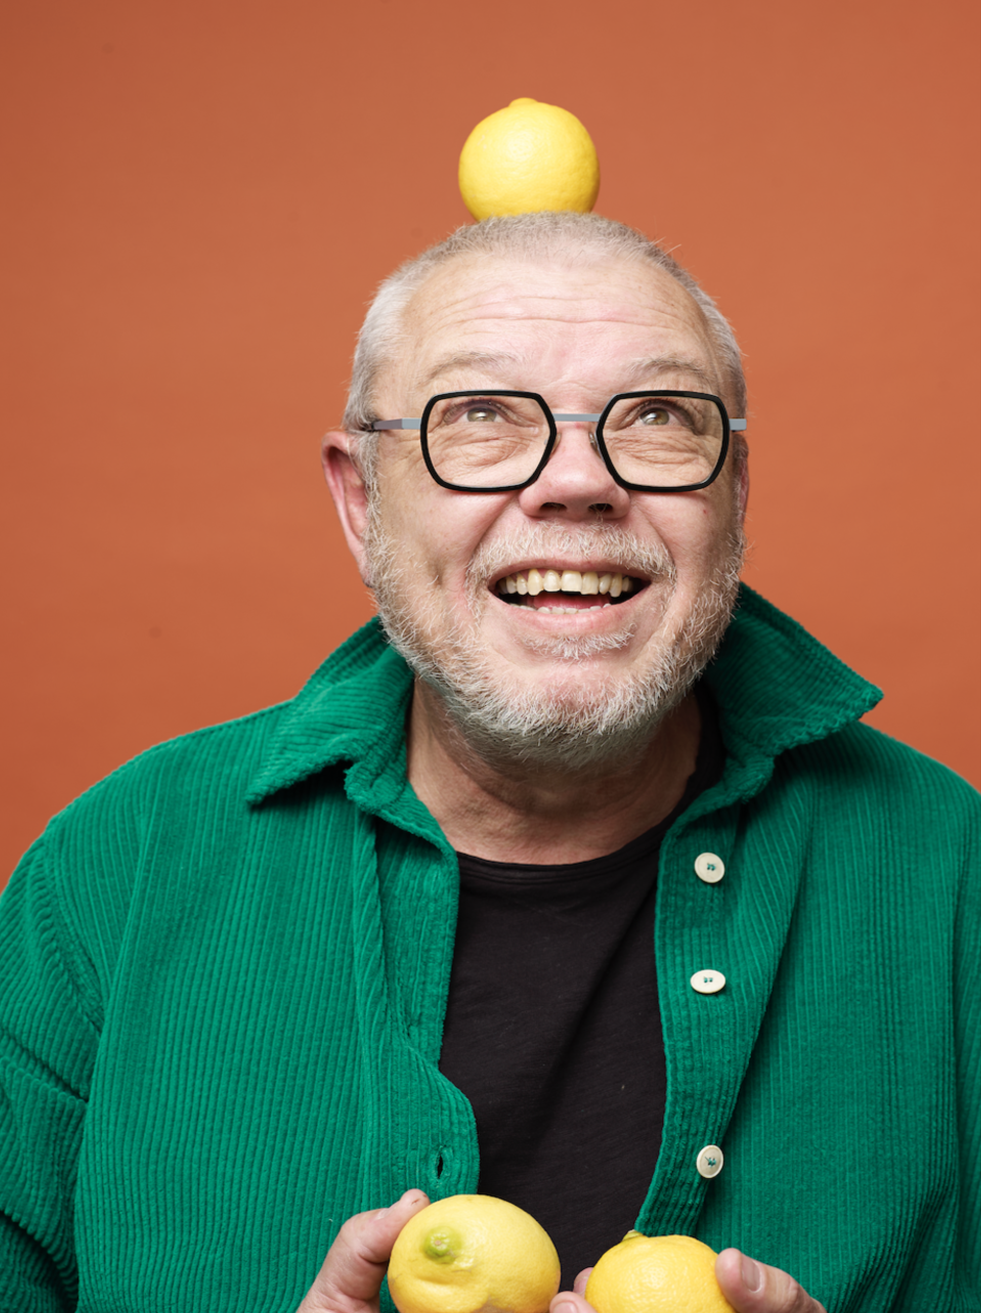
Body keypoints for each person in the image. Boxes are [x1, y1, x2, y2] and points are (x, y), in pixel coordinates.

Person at [0, 213, 976, 1313]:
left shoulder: (955, 877)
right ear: (362, 499)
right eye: (478, 415)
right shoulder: (111, 874)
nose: (576, 481)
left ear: (734, 491)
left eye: (656, 416)